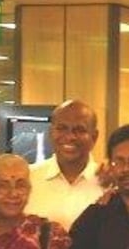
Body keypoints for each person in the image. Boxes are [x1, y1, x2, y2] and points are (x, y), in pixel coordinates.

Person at [26, 99, 106, 231]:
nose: (70, 137)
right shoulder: (29, 178)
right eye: (62, 128)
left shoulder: (109, 183)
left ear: (94, 137)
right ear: (51, 133)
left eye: (79, 130)